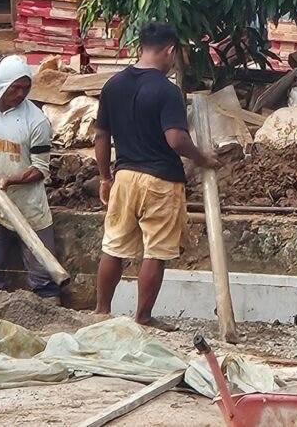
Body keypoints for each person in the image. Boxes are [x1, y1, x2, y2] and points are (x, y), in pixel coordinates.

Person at [93, 22, 220, 328]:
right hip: (161, 180)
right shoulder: (167, 90)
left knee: (114, 246)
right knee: (156, 251)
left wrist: (104, 177)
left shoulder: (113, 85)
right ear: (170, 51)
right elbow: (175, 139)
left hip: (124, 177)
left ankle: (100, 311)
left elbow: (101, 136)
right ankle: (143, 316)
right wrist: (203, 158)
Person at [0, 55, 61, 303]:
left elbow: (40, 169)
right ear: (2, 84)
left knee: (44, 276)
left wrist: (10, 180)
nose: (20, 94)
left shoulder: (37, 121)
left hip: (29, 206)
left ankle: (50, 310)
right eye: (15, 88)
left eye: (25, 88)